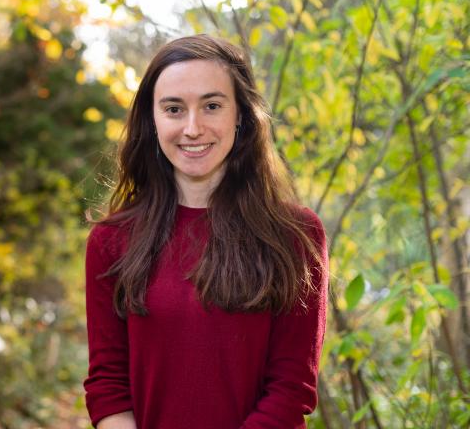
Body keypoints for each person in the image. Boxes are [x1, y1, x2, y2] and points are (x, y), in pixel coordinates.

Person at [83, 34, 329, 429]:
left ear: (240, 115)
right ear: (153, 120)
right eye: (174, 109)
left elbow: (290, 388)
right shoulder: (111, 240)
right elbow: (108, 386)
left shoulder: (295, 235)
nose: (193, 128)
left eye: (212, 106)